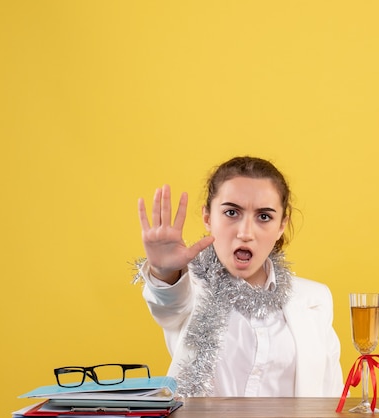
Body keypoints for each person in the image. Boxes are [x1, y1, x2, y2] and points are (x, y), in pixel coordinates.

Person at [136, 156, 344, 398]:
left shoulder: (315, 299)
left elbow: (331, 394)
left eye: (264, 217)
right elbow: (169, 306)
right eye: (232, 212)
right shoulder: (190, 285)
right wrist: (164, 271)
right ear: (207, 218)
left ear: (281, 225)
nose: (245, 233)